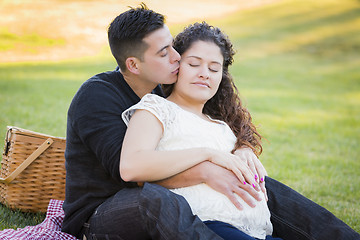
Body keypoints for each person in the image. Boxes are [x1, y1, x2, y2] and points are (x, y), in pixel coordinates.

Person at [62, 3, 360, 240]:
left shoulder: (159, 84)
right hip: (101, 214)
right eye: (164, 52)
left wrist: (242, 149)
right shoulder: (97, 97)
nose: (177, 57)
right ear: (133, 64)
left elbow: (217, 115)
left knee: (262, 186)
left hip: (151, 199)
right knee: (157, 199)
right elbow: (131, 174)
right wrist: (206, 169)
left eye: (173, 46)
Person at [120, 22, 281, 240]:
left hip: (256, 231)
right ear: (177, 66)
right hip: (207, 226)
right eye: (194, 64)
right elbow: (132, 166)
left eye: (214, 69)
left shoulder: (222, 125)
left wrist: (244, 148)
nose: (204, 73)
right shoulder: (157, 108)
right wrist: (208, 153)